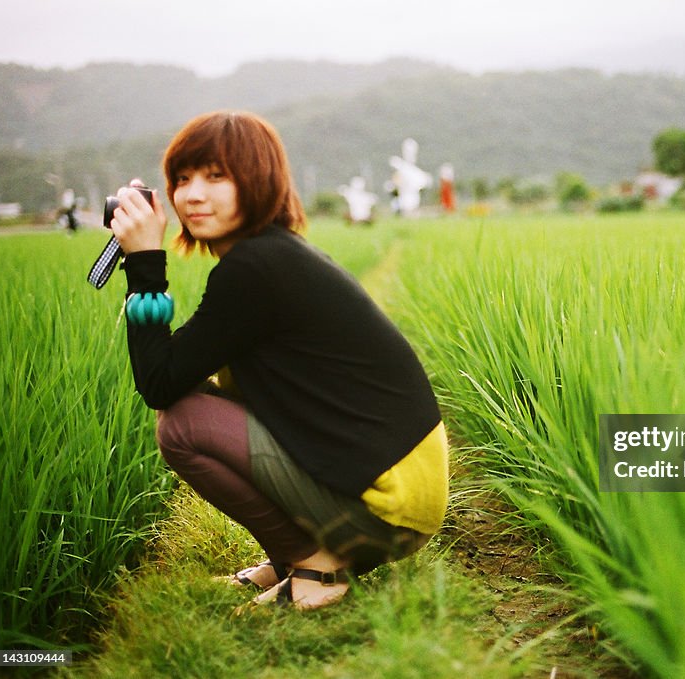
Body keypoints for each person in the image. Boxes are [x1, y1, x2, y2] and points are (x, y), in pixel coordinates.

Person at [107, 110, 449, 611]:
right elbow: (179, 372)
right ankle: (299, 555)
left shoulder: (255, 269)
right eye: (183, 179)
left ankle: (312, 563)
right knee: (198, 400)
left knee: (181, 424)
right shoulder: (271, 256)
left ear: (258, 180)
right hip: (400, 498)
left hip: (387, 509)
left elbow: (159, 385)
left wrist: (143, 265)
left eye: (216, 176)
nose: (193, 194)